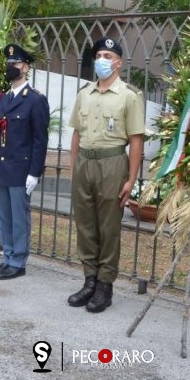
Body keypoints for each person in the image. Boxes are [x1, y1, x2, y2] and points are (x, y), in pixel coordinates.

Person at [67, 37, 145, 312]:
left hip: (112, 163)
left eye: (108, 56)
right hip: (85, 163)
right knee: (85, 224)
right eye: (99, 54)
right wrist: (74, 168)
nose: (102, 60)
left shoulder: (129, 96)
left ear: (118, 63)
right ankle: (89, 280)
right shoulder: (84, 93)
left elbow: (136, 140)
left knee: (108, 227)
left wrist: (131, 179)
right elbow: (77, 133)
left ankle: (104, 285)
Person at [0, 44, 50, 280]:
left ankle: (18, 260)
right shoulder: (3, 98)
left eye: (14, 64)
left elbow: (39, 140)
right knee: (4, 215)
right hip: (2, 167)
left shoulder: (34, 100)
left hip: (21, 169)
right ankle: (7, 256)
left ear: (25, 66)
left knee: (19, 216)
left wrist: (35, 173)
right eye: (8, 63)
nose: (10, 67)